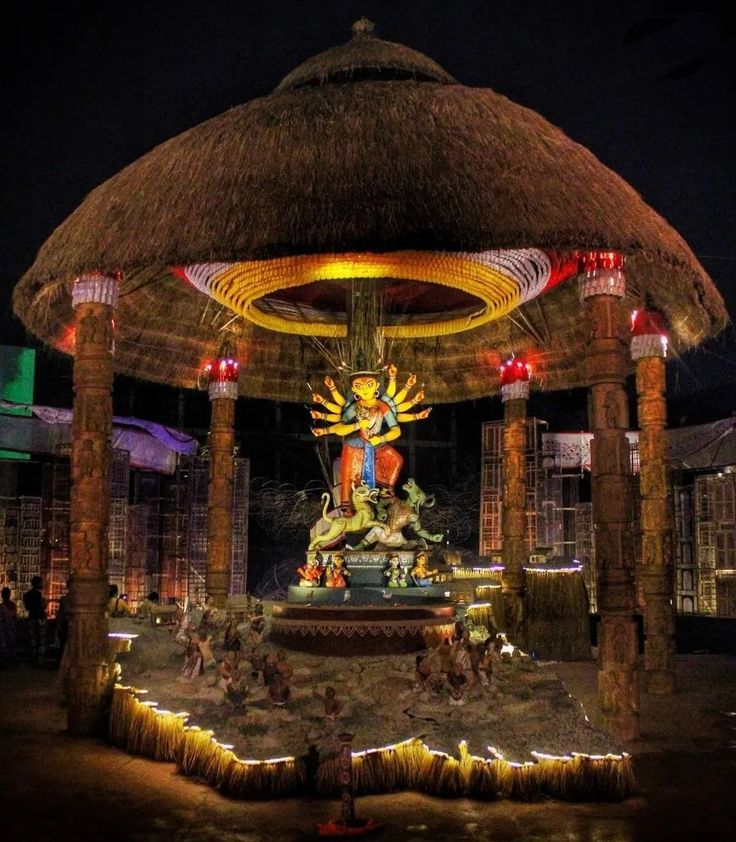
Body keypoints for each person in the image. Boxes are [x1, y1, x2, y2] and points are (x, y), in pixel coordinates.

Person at [23, 576, 47, 663]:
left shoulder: (27, 595)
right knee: (41, 639)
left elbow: (27, 607)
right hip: (40, 618)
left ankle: (33, 658)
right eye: (41, 582)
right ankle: (40, 659)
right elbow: (43, 606)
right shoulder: (39, 594)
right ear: (38, 584)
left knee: (33, 639)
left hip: (32, 617)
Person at [0, 586, 18, 667]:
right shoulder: (13, 605)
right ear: (9, 594)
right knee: (12, 644)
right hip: (11, 628)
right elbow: (15, 617)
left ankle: (5, 661)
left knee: (4, 645)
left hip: (3, 629)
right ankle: (12, 661)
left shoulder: (1, 606)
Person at [56, 578, 72, 658]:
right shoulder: (64, 599)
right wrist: (59, 624)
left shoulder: (66, 599)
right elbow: (61, 613)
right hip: (66, 623)